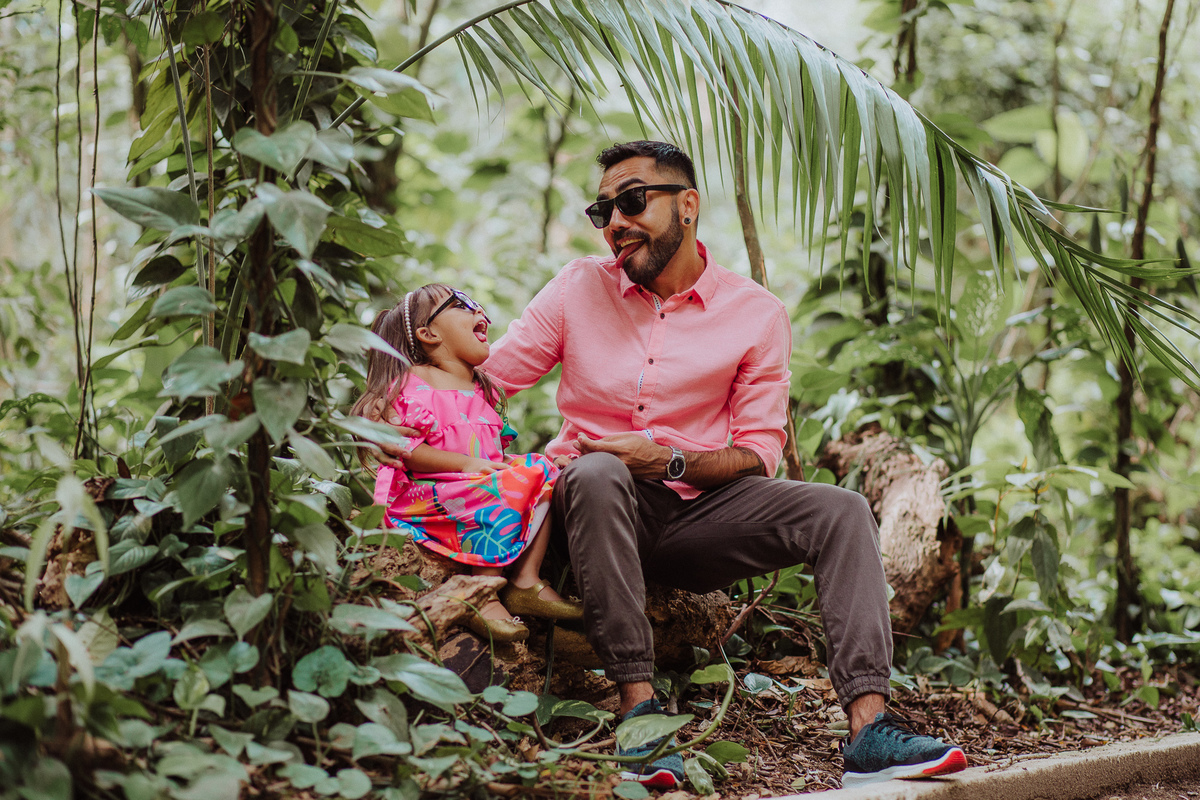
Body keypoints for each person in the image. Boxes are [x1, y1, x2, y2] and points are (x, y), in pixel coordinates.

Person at [373, 143, 966, 789]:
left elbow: (759, 452)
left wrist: (670, 458)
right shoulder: (578, 287)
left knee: (841, 509)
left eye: (633, 201)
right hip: (593, 508)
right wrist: (390, 398)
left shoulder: (756, 313)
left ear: (687, 206)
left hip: (700, 512)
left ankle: (868, 731)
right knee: (597, 472)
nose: (616, 222)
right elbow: (488, 375)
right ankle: (640, 714)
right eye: (604, 210)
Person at [351, 283, 583, 643]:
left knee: (541, 468)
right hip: (428, 494)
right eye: (461, 304)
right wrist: (465, 465)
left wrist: (514, 464)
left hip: (472, 483)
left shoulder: (482, 389)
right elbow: (407, 449)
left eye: (477, 304)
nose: (480, 312)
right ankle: (480, 590)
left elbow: (488, 453)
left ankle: (525, 579)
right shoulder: (416, 381)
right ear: (427, 334)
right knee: (504, 483)